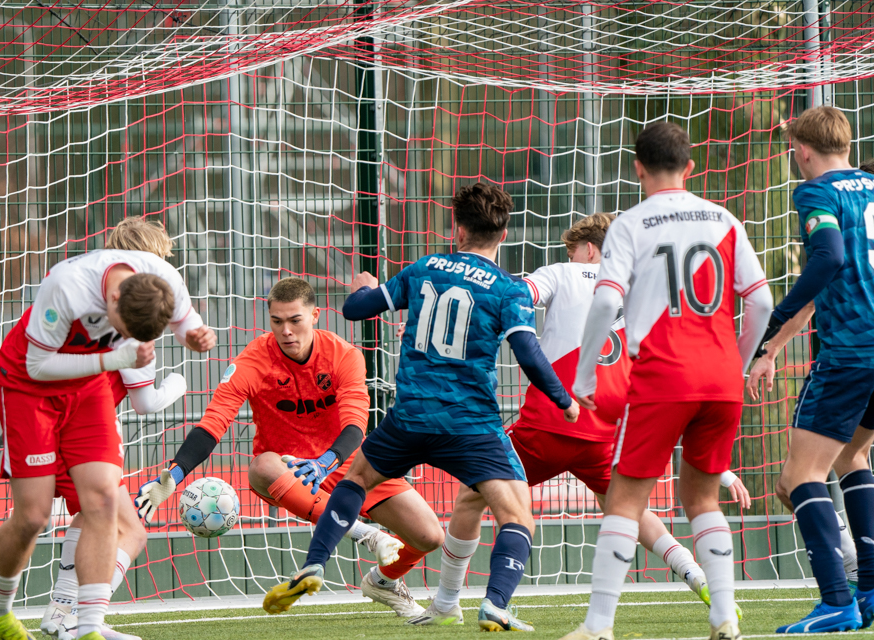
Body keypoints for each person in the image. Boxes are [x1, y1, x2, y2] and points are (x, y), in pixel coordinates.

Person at [261, 182, 580, 632]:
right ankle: (494, 603)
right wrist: (564, 401)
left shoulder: (425, 268)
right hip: (471, 424)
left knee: (356, 479)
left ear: (457, 228)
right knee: (516, 514)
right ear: (503, 234)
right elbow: (528, 353)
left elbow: (355, 311)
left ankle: (315, 563)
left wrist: (363, 287)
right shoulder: (509, 291)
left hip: (409, 416)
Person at [409, 213, 750, 626]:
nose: (571, 256)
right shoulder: (643, 292)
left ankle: (447, 601)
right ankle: (700, 579)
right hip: (603, 434)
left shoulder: (562, 272)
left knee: (470, 496)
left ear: (588, 250)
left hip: (548, 425)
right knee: (625, 506)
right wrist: (723, 470)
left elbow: (518, 294)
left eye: (573, 249)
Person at [558, 122, 772, 640]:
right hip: (720, 378)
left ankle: (598, 626)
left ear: (638, 168)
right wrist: (737, 364)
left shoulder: (631, 224)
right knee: (701, 499)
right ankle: (724, 616)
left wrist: (585, 375)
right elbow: (762, 301)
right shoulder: (724, 218)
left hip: (663, 374)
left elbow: (607, 300)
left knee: (625, 502)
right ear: (691, 167)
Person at [134, 277, 443, 617]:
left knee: (430, 536)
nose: (286, 331)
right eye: (277, 322)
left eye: (295, 320)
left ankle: (382, 582)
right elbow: (213, 424)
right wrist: (174, 475)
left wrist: (327, 461)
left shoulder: (345, 356)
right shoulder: (252, 362)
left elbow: (355, 424)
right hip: (290, 472)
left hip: (348, 464)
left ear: (315, 316)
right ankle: (367, 534)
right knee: (261, 466)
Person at [0, 245, 216, 640]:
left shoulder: (165, 281)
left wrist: (194, 335)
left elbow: (188, 323)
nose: (120, 339)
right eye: (119, 331)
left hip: (88, 391)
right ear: (112, 297)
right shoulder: (66, 287)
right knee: (34, 516)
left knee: (103, 502)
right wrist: (113, 360)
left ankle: (86, 630)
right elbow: (38, 365)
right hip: (29, 387)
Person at [745, 107, 874, 633]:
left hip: (849, 353)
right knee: (854, 455)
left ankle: (836, 600)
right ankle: (868, 589)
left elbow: (827, 260)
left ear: (801, 149)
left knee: (798, 477)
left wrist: (768, 324)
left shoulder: (815, 192)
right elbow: (828, 287)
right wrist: (773, 347)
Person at [40, 218, 189, 640]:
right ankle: (83, 619)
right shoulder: (137, 324)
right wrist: (178, 385)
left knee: (89, 519)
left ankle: (61, 613)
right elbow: (146, 404)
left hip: (48, 420)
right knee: (131, 531)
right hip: (79, 431)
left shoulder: (89, 305)